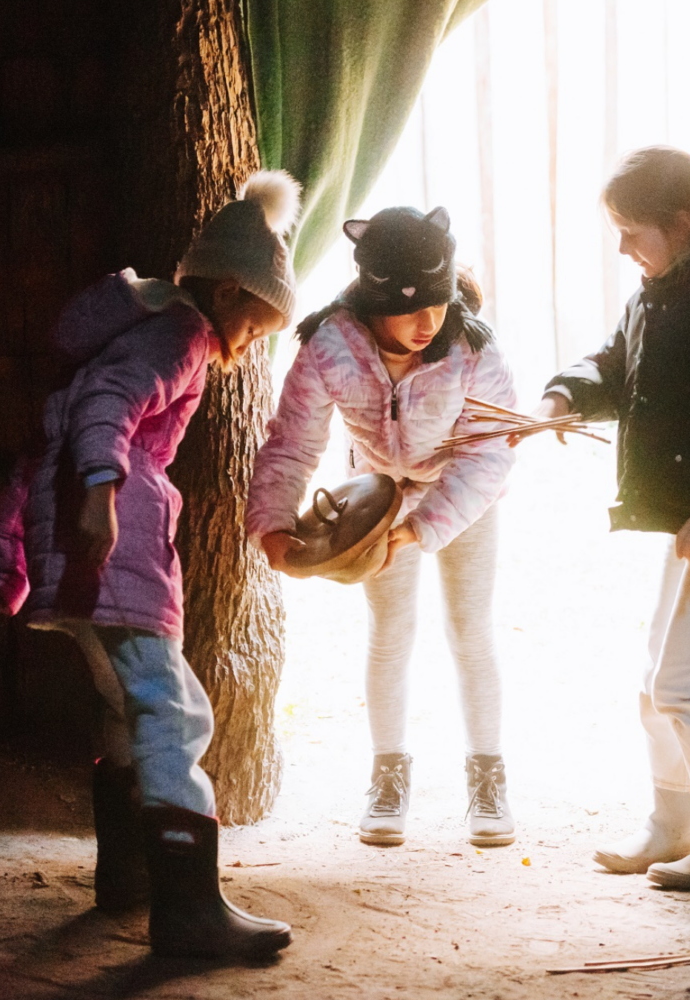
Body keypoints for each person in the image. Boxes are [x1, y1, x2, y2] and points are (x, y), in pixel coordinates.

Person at [0, 170, 300, 957]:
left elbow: (64, 420)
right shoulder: (182, 332)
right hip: (112, 542)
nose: (255, 338)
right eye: (260, 322)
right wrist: (104, 489)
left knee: (123, 706)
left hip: (77, 545)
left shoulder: (146, 321)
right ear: (231, 293)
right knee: (173, 709)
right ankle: (189, 909)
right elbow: (108, 401)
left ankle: (126, 875)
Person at [531, 146, 690, 890]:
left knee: (681, 687)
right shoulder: (662, 287)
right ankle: (669, 825)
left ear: (678, 224)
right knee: (655, 685)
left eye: (630, 231)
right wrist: (564, 395)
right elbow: (617, 364)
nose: (621, 248)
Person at [246, 205, 518, 847]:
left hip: (463, 495)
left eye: (440, 302)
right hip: (376, 499)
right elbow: (291, 442)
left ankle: (488, 778)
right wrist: (272, 523)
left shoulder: (473, 350)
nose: (429, 322)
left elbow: (491, 450)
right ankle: (388, 777)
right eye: (410, 307)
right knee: (390, 631)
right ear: (371, 298)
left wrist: (426, 529)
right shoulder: (329, 347)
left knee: (469, 630)